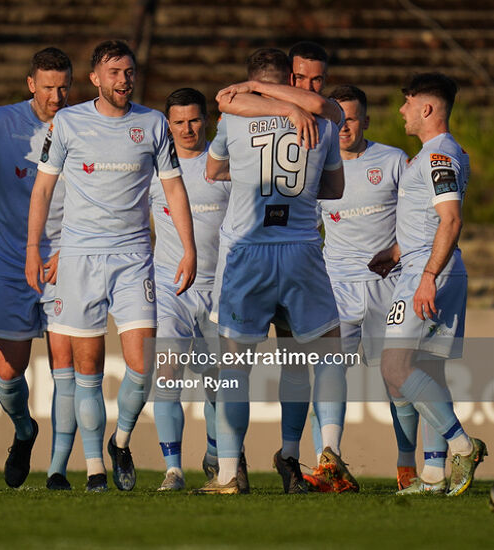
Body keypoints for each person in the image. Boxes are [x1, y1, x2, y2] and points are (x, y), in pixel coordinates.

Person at [26, 40, 196, 492]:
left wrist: (188, 247)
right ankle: (95, 468)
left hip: (134, 257)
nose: (124, 80)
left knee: (142, 366)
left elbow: (174, 190)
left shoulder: (153, 123)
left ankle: (120, 440)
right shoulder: (67, 122)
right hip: (79, 258)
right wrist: (32, 248)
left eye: (129, 72)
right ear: (95, 78)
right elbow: (42, 190)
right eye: (114, 73)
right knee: (89, 372)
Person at [198, 48, 346, 495]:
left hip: (248, 251)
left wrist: (249, 174)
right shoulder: (322, 123)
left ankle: (228, 474)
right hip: (301, 249)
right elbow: (334, 189)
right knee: (318, 359)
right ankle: (313, 457)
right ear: (290, 79)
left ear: (252, 81)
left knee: (233, 368)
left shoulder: (234, 118)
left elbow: (211, 168)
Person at [0, 47, 76, 490]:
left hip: (68, 258)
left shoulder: (84, 123)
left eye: (64, 87)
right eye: (48, 87)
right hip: (11, 260)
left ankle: (58, 468)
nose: (56, 96)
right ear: (31, 84)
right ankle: (25, 430)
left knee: (66, 367)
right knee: (8, 374)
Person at [373, 73, 486, 496]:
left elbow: (450, 219)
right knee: (428, 370)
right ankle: (435, 474)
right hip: (426, 266)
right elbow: (429, 222)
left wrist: (425, 277)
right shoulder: (434, 155)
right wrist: (397, 253)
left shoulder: (440, 157)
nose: (401, 110)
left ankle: (462, 445)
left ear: (426, 108)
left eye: (407, 102)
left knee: (395, 367)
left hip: (430, 275)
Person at [314, 85, 416, 491]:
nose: (343, 126)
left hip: (387, 287)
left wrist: (398, 252)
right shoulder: (315, 165)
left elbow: (421, 218)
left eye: (351, 118)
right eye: (336, 119)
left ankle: (406, 465)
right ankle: (329, 458)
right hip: (336, 286)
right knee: (328, 370)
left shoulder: (393, 161)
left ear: (366, 122)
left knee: (398, 378)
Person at [148, 88, 233, 491]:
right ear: (168, 125)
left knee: (219, 384)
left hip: (221, 291)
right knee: (167, 375)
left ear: (207, 121)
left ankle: (216, 453)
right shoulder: (153, 171)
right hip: (171, 289)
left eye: (194, 120)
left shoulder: (225, 169)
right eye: (178, 122)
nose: (187, 129)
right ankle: (173, 469)